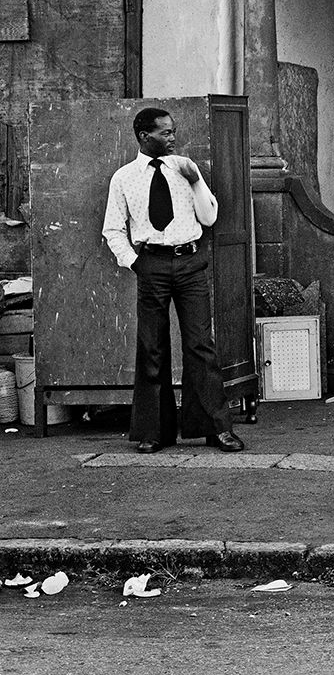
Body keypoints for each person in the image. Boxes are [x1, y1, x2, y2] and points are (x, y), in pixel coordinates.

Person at [101, 107, 244, 454]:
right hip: (151, 264)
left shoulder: (184, 169)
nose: (172, 137)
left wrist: (195, 179)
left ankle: (217, 429)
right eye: (165, 133)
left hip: (190, 262)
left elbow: (209, 218)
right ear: (143, 136)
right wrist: (136, 263)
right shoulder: (123, 178)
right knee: (152, 346)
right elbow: (113, 229)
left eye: (173, 131)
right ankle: (153, 432)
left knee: (200, 345)